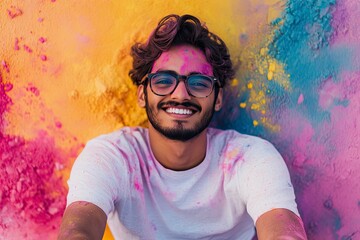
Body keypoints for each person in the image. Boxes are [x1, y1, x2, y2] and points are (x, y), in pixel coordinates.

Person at [58, 14, 307, 240]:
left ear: (217, 98)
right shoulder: (112, 157)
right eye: (164, 81)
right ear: (142, 94)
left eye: (198, 83)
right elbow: (76, 233)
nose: (180, 94)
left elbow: (284, 233)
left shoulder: (250, 159)